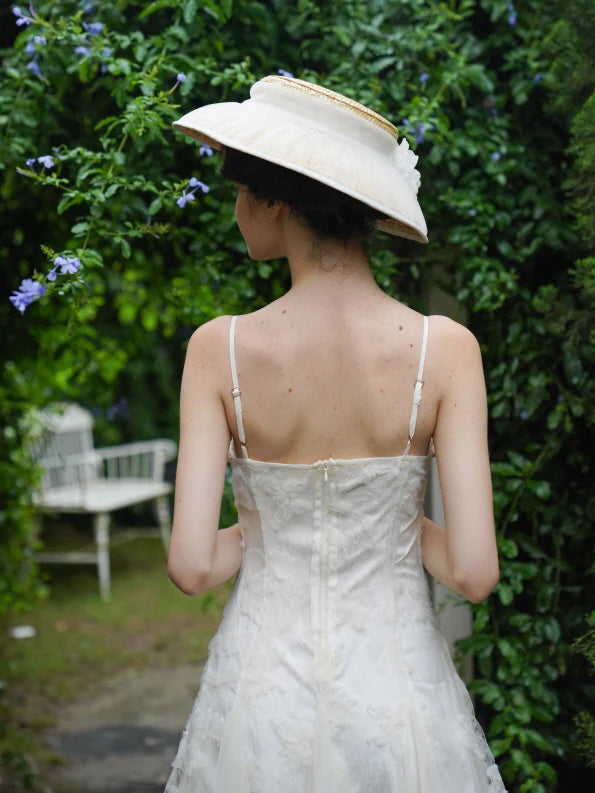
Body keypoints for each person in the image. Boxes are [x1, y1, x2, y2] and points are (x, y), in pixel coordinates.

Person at [165, 75, 505, 793]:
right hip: (399, 699)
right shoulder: (443, 349)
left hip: (260, 705)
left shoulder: (217, 348)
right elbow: (473, 572)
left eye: (239, 191)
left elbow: (194, 566)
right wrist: (381, 519)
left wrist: (275, 521)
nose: (234, 210)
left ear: (275, 200)